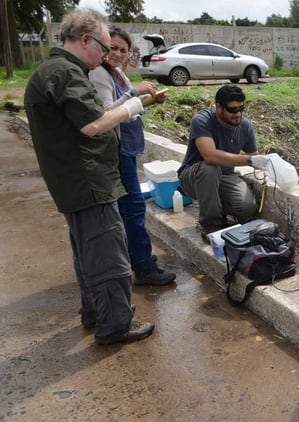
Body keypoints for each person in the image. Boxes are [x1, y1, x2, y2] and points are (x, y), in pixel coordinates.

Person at [24, 8, 155, 345]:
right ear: (85, 40)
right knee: (109, 255)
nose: (106, 54)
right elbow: (92, 125)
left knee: (88, 253)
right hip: (89, 182)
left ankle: (95, 311)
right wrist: (131, 108)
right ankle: (116, 324)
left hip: (75, 182)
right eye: (102, 45)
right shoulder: (66, 73)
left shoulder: (57, 70)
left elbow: (90, 115)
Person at [89, 26, 176, 286]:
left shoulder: (116, 73)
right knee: (134, 205)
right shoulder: (99, 75)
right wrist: (134, 93)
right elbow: (107, 113)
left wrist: (148, 100)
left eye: (123, 50)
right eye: (112, 48)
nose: (117, 54)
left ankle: (133, 259)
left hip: (127, 146)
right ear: (103, 48)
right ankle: (143, 266)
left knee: (129, 205)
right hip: (117, 148)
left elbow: (130, 108)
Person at [177, 85, 268, 242]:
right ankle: (210, 223)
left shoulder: (245, 126)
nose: (238, 114)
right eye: (232, 110)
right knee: (210, 168)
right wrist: (248, 159)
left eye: (241, 108)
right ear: (218, 107)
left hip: (225, 176)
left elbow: (254, 156)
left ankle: (217, 207)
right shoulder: (202, 120)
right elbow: (210, 156)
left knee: (247, 207)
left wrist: (270, 163)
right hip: (194, 176)